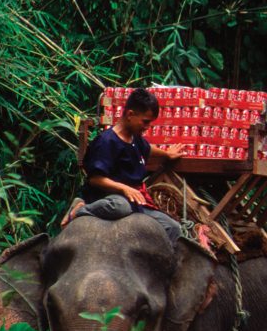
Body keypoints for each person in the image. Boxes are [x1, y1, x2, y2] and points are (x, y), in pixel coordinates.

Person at [61, 87, 183, 240]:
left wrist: (166, 154)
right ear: (130, 114)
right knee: (120, 206)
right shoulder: (106, 141)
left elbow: (147, 149)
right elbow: (95, 179)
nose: (147, 127)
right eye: (145, 122)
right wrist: (125, 189)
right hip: (109, 198)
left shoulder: (135, 139)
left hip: (133, 200)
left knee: (173, 228)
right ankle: (80, 210)